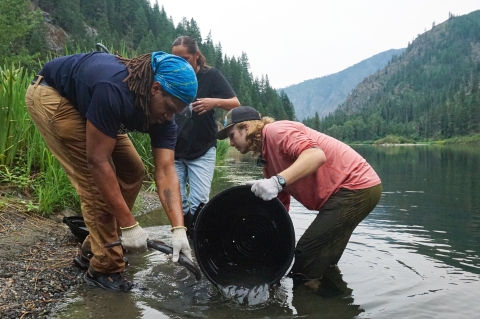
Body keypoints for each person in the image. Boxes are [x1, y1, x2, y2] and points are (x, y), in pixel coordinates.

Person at [25, 50, 197, 292]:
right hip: (53, 95)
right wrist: (129, 225)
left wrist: (179, 229)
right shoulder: (115, 90)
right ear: (155, 89)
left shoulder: (164, 116)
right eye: (168, 108)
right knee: (96, 186)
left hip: (90, 102)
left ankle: (93, 248)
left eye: (176, 113)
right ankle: (105, 268)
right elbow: (98, 161)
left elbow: (166, 170)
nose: (169, 117)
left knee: (133, 171)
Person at [216, 106, 382, 286]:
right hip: (350, 192)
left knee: (305, 259)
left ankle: (311, 308)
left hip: (355, 187)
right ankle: (334, 300)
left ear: (246, 127)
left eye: (231, 135)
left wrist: (276, 182)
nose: (230, 143)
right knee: (322, 263)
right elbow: (281, 206)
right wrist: (272, 239)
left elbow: (316, 155)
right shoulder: (267, 159)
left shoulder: (275, 131)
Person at [171, 36, 240, 236]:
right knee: (177, 201)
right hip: (174, 147)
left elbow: (235, 103)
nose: (181, 65)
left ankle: (198, 243)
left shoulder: (212, 76)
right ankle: (182, 238)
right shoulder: (172, 75)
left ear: (197, 56)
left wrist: (213, 102)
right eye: (176, 60)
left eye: (186, 59)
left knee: (199, 203)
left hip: (202, 148)